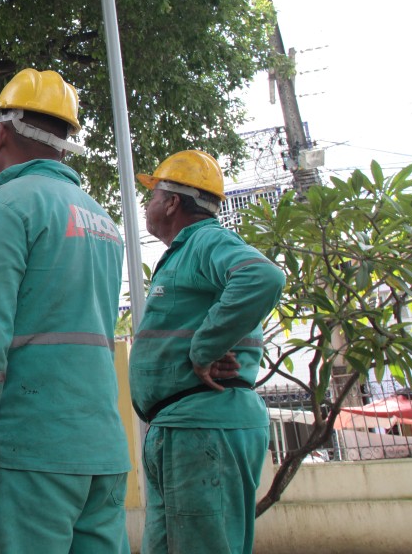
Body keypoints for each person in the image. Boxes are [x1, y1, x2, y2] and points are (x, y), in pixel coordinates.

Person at [0, 68, 131, 554]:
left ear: (1, 133)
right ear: (64, 144)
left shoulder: (5, 209)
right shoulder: (102, 221)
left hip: (25, 458)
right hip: (101, 456)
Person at [130, 150, 287, 554]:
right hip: (184, 429)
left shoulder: (206, 239)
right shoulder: (188, 250)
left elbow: (262, 276)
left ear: (172, 202)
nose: (147, 205)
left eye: (152, 195)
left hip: (204, 427)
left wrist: (204, 349)